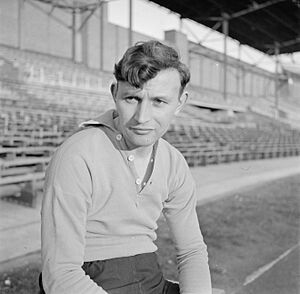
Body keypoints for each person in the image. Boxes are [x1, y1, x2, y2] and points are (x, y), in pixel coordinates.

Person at [40, 40, 212, 294]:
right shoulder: (77, 155)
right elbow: (61, 274)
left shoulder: (174, 162)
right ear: (114, 94)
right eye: (132, 98)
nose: (142, 118)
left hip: (149, 278)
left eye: (159, 102)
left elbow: (191, 251)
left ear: (180, 103)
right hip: (88, 281)